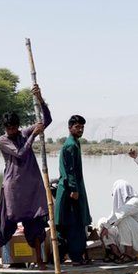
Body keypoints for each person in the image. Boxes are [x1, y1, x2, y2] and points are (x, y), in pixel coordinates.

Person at [0, 84, 52, 271]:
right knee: (3, 223)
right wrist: (33, 135)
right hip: (13, 188)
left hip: (31, 187)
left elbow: (46, 120)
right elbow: (20, 153)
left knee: (35, 224)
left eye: (14, 127)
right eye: (8, 128)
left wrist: (40, 99)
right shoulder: (2, 140)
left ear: (18, 126)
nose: (12, 130)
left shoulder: (23, 133)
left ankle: (39, 261)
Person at [54, 114, 92, 265]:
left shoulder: (75, 143)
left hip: (71, 188)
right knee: (74, 224)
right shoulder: (70, 145)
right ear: (70, 128)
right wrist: (74, 189)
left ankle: (62, 256)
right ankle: (76, 258)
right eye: (77, 127)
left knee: (66, 223)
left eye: (82, 127)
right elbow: (70, 171)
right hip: (71, 191)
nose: (80, 130)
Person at [96, 180, 138, 263]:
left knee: (122, 219)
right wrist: (104, 226)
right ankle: (115, 252)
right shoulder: (120, 206)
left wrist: (107, 226)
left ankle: (128, 254)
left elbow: (121, 214)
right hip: (128, 241)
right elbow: (111, 219)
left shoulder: (135, 202)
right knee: (102, 222)